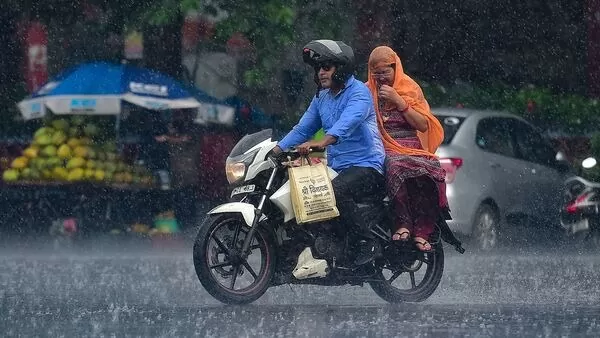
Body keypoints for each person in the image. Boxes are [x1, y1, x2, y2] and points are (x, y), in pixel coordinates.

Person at [271, 39, 386, 265]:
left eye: (326, 67)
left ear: (341, 69)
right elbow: (303, 129)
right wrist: (276, 150)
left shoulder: (359, 94)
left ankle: (366, 241)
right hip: (337, 166)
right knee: (301, 191)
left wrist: (319, 143)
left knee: (334, 191)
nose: (321, 73)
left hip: (367, 166)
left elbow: (345, 125)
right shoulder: (322, 97)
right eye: (318, 68)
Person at [365, 46, 449, 252]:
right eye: (376, 73)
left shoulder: (410, 88)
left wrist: (398, 101)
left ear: (396, 68)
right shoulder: (366, 91)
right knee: (394, 166)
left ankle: (422, 231)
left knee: (431, 169)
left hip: (411, 145)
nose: (381, 78)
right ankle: (402, 223)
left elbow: (422, 124)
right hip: (382, 147)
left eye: (385, 72)